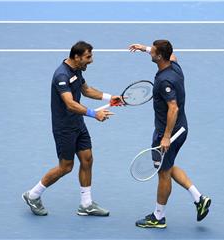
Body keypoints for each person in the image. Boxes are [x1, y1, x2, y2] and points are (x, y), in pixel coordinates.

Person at [22, 41, 122, 217]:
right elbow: (69, 104)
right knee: (65, 167)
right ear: (77, 57)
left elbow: (86, 90)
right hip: (64, 128)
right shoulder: (61, 75)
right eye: (88, 57)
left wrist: (110, 97)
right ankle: (33, 194)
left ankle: (86, 204)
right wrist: (94, 114)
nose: (91, 61)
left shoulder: (76, 70)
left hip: (77, 124)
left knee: (87, 159)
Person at [129, 40, 211, 228]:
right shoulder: (174, 66)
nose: (150, 53)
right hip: (180, 128)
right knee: (167, 166)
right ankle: (199, 198)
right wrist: (145, 49)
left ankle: (158, 217)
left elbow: (172, 108)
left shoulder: (165, 80)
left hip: (169, 133)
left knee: (163, 173)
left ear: (159, 57)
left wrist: (166, 136)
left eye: (153, 52)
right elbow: (172, 55)